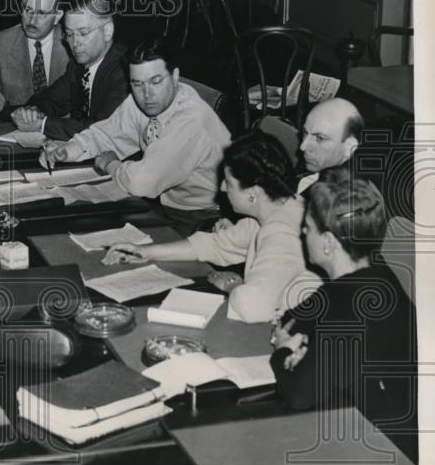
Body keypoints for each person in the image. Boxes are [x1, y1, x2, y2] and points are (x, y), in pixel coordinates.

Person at [269, 168, 416, 462]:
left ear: (328, 242)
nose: (302, 232)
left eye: (308, 227)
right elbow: (292, 318)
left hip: (388, 450)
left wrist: (282, 352)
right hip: (382, 423)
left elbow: (299, 394)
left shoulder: (346, 309)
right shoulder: (378, 276)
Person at [104, 132, 315, 322]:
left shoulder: (281, 233)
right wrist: (145, 251)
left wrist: (231, 283)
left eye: (229, 183)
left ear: (254, 193)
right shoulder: (276, 209)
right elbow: (217, 245)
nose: (222, 188)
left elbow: (254, 308)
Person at [42, 37, 230, 234]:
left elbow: (142, 182)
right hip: (167, 205)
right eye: (137, 83)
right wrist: (67, 150)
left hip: (209, 218)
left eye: (155, 81)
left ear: (175, 77)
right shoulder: (142, 101)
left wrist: (110, 164)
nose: (146, 94)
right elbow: (108, 133)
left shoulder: (191, 118)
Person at [11, 0, 127, 141]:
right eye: (70, 34)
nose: (75, 43)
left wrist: (43, 124)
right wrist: (32, 111)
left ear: (108, 31)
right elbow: (52, 99)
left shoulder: (126, 69)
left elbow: (103, 129)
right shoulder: (77, 66)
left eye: (83, 33)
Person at [0, 0, 69, 106]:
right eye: (28, 10)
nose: (32, 21)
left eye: (42, 13)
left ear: (57, 16)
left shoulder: (73, 46)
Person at [297, 97, 363, 193]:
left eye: (320, 138)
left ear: (349, 146)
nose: (303, 146)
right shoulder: (323, 163)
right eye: (305, 133)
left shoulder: (341, 197)